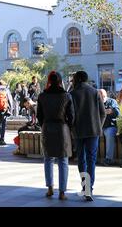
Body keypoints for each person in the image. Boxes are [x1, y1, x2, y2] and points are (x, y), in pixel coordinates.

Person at [37, 71, 75, 201]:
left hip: (47, 127)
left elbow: (39, 116)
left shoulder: (42, 96)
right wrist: (68, 126)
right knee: (63, 160)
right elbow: (71, 116)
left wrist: (44, 124)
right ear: (60, 81)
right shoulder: (66, 96)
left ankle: (50, 188)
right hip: (62, 128)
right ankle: (62, 192)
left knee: (48, 159)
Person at [69, 71, 106, 202]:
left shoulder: (72, 94)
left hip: (78, 131)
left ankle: (85, 186)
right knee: (91, 159)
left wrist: (72, 127)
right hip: (93, 131)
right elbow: (103, 113)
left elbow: (71, 115)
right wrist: (98, 126)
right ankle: (90, 188)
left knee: (81, 159)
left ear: (77, 79)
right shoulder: (95, 92)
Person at [98, 89, 120, 166]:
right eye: (101, 96)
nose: (103, 98)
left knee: (110, 135)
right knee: (91, 136)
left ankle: (109, 159)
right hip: (99, 126)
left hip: (110, 126)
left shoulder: (112, 101)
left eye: (104, 96)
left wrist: (111, 111)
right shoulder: (95, 102)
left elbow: (117, 113)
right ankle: (93, 157)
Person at [0, 80, 14, 145]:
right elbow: (10, 100)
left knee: (0, 124)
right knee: (4, 124)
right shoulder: (6, 90)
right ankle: (2, 138)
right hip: (5, 109)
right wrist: (11, 109)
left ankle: (1, 137)